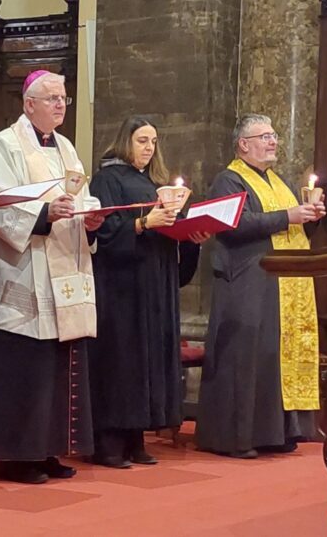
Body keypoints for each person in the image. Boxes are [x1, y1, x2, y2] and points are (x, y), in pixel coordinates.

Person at [0, 70, 106, 484]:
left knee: (56, 365)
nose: (60, 104)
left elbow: (81, 195)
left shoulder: (67, 147)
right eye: (52, 98)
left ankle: (47, 448)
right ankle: (16, 454)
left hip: (62, 269)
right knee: (22, 367)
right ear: (29, 104)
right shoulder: (3, 145)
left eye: (63, 98)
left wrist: (91, 218)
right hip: (21, 271)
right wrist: (43, 214)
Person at [194, 113, 325, 459]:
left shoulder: (275, 181)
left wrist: (308, 218)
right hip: (245, 280)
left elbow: (287, 230)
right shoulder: (229, 179)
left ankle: (276, 432)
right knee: (245, 358)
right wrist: (289, 216)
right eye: (264, 136)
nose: (273, 141)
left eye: (274, 135)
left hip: (277, 282)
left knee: (272, 357)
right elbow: (233, 224)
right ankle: (236, 437)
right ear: (243, 144)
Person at [88, 116, 208, 468]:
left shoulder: (154, 183)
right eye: (142, 140)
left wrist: (191, 238)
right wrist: (142, 224)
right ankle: (108, 442)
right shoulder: (107, 178)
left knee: (147, 359)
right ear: (126, 141)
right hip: (122, 286)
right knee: (122, 361)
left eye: (153, 142)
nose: (149, 148)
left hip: (155, 282)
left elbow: (170, 236)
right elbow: (103, 234)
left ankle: (135, 437)